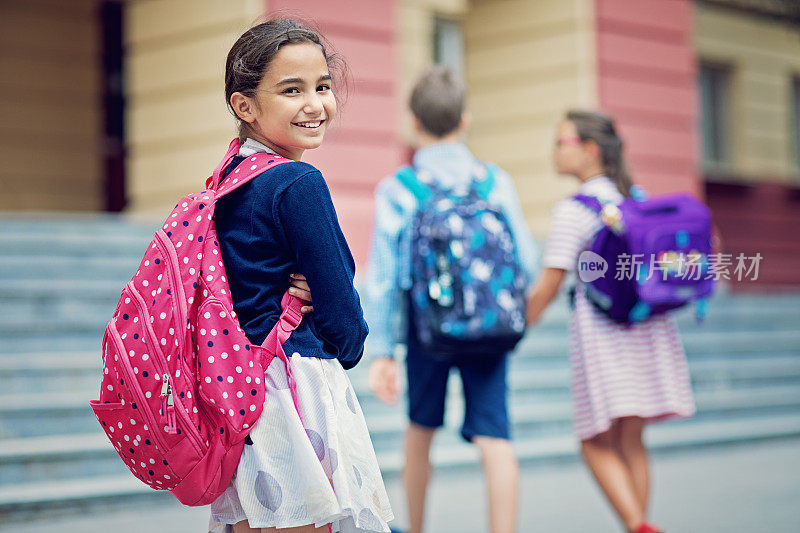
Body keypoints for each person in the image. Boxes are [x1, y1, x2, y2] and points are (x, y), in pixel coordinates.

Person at [207, 18, 394, 533]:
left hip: (238, 386)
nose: (315, 104)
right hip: (293, 387)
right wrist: (345, 334)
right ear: (244, 105)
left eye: (323, 86)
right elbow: (345, 322)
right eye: (292, 90)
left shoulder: (227, 179)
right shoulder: (298, 182)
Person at [363, 65, 538, 533]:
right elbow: (527, 260)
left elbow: (384, 279)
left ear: (414, 123)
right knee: (495, 437)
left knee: (420, 431)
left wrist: (383, 350)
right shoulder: (495, 182)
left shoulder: (400, 190)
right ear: (465, 120)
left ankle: (415, 528)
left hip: (428, 332)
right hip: (489, 328)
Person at [525, 110, 696, 533]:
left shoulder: (574, 209)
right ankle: (640, 524)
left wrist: (517, 327)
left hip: (603, 337)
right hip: (646, 330)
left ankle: (637, 525)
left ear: (590, 151)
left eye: (561, 141)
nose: (555, 150)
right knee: (631, 440)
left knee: (593, 441)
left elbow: (550, 282)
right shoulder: (635, 198)